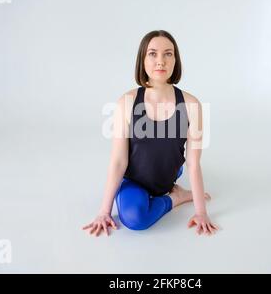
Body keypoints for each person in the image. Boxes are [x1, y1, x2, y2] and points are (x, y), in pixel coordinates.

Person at [82, 30, 219, 236]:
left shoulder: (192, 105)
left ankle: (173, 190)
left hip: (168, 173)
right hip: (136, 180)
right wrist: (104, 211)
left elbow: (193, 163)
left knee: (176, 166)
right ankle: (175, 198)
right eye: (152, 54)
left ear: (176, 61)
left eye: (168, 54)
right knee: (135, 220)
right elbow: (119, 161)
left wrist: (201, 212)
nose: (160, 61)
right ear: (142, 60)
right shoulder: (126, 103)